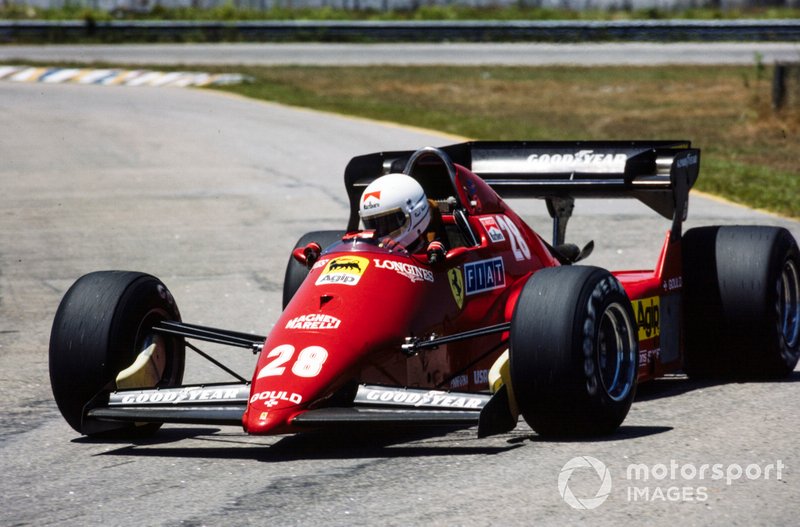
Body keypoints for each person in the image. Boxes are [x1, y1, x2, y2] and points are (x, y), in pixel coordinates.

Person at [359, 173, 435, 254]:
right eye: (373, 225)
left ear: (417, 213)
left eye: (389, 223)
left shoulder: (434, 255)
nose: (384, 240)